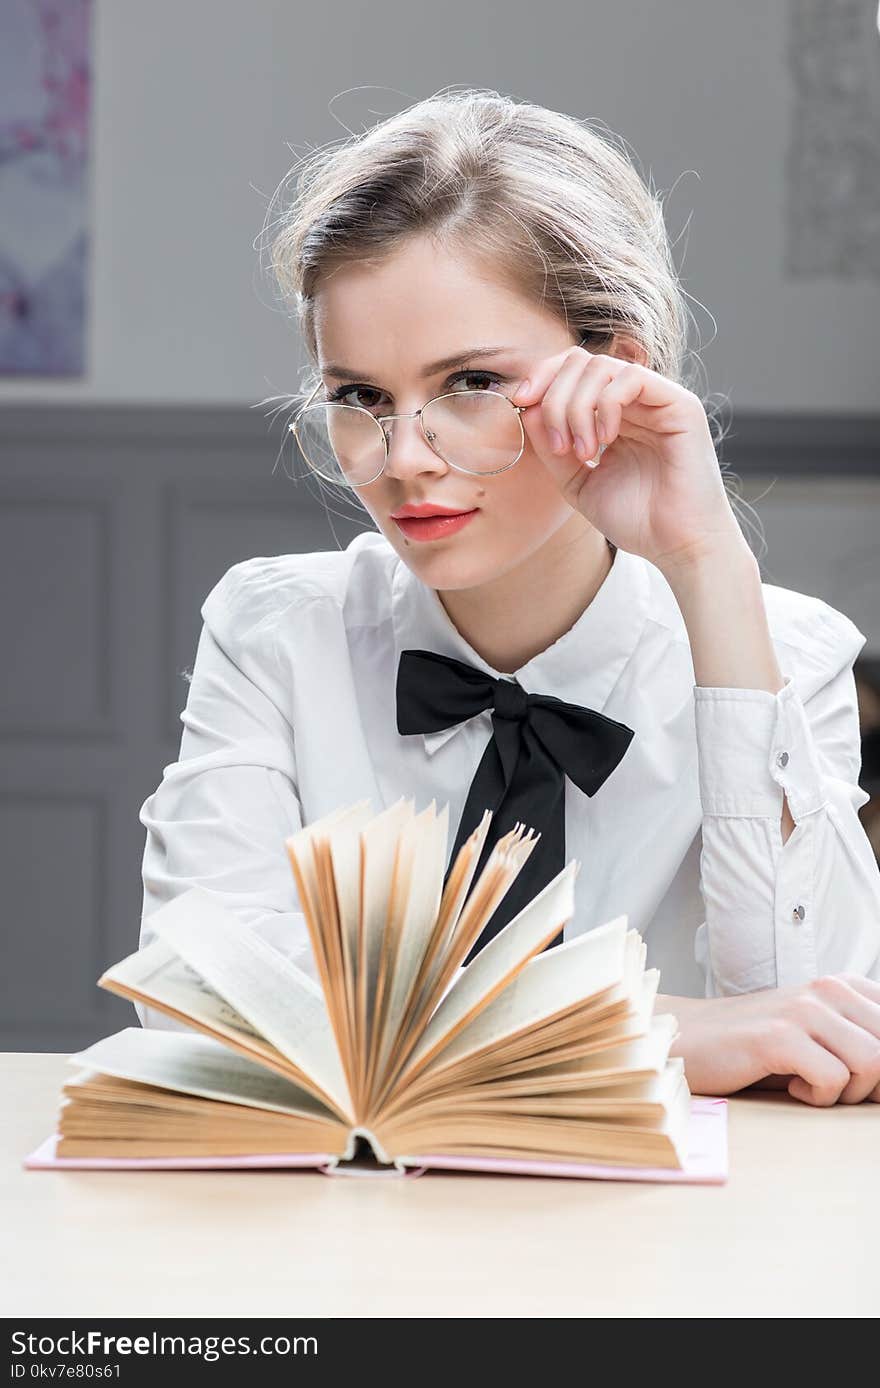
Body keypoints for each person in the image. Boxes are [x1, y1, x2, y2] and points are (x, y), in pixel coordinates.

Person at [138, 89, 880, 1105]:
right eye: (360, 397)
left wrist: (708, 559)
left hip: (683, 1249)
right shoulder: (277, 630)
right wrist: (644, 1026)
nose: (403, 459)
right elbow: (202, 999)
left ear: (611, 369)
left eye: (472, 382)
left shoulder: (783, 648)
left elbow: (813, 1035)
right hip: (338, 1236)